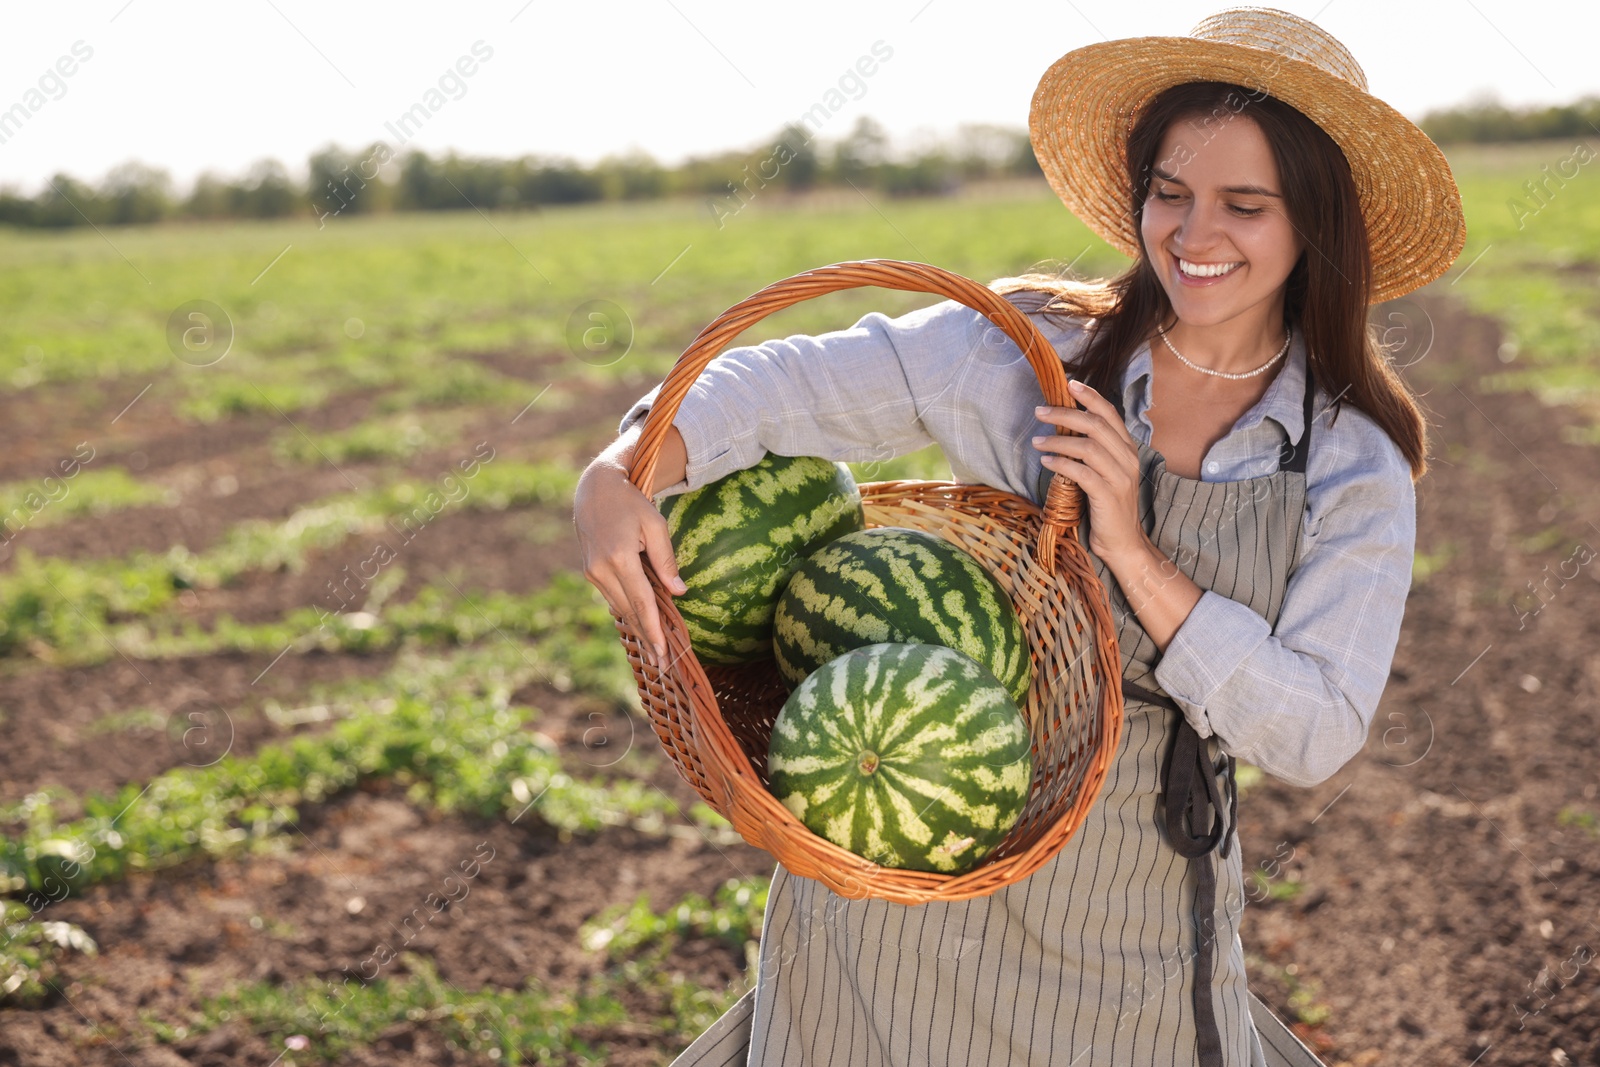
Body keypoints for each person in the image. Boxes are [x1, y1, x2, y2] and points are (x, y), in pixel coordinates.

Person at [574, 7, 1463, 1066]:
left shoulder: (1348, 460)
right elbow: (783, 388)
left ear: (1315, 220)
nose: (1193, 234)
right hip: (899, 870)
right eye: (1168, 193)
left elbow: (1313, 729)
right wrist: (624, 465)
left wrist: (1132, 550)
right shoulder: (1022, 349)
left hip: (1127, 898)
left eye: (1245, 204)